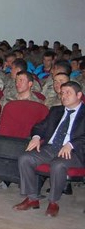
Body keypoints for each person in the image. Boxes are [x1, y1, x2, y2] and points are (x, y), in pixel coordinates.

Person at [13, 81, 84, 217]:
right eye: (62, 93)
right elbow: (40, 126)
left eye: (68, 93)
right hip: (51, 147)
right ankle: (32, 198)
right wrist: (36, 136)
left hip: (75, 151)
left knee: (57, 165)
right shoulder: (56, 111)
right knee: (25, 158)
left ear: (79, 95)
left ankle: (53, 202)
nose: (64, 96)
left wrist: (71, 144)